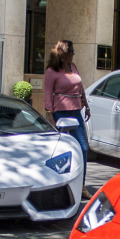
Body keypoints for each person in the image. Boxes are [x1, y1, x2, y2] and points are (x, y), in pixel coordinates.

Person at [43, 39, 91, 175]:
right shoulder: (52, 71)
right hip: (61, 112)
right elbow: (47, 94)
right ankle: (62, 178)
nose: (73, 54)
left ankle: (81, 184)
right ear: (63, 53)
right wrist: (51, 116)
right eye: (71, 52)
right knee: (63, 149)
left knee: (83, 147)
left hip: (76, 111)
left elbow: (81, 88)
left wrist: (86, 106)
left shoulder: (73, 67)